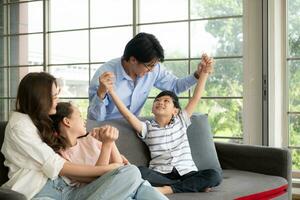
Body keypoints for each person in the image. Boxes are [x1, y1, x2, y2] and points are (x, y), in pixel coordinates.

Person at [1, 72, 168, 200]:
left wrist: (112, 163)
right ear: (40, 98)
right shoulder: (20, 126)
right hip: (43, 191)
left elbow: (69, 173)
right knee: (131, 176)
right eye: (54, 96)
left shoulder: (36, 120)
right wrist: (110, 168)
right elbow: (60, 166)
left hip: (66, 188)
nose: (57, 101)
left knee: (131, 174)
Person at [106, 54, 222, 194]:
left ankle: (170, 189)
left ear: (175, 110)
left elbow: (196, 97)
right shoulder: (146, 127)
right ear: (153, 108)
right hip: (161, 175)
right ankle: (187, 186)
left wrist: (204, 73)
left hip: (186, 172)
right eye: (158, 101)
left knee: (214, 175)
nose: (160, 102)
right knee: (138, 171)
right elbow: (127, 114)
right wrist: (111, 91)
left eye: (166, 101)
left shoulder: (181, 120)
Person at [88, 32, 210, 122]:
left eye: (154, 65)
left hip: (134, 126)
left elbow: (175, 86)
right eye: (149, 66)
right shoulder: (104, 75)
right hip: (107, 129)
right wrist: (101, 94)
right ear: (133, 60)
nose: (152, 70)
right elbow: (95, 119)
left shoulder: (153, 69)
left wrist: (197, 75)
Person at [50, 102, 128, 186]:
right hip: (103, 189)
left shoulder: (90, 139)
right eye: (79, 115)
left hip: (121, 180)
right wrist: (107, 143)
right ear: (67, 121)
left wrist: (110, 140)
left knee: (133, 171)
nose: (84, 120)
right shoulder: (61, 157)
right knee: (133, 172)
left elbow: (120, 167)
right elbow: (99, 179)